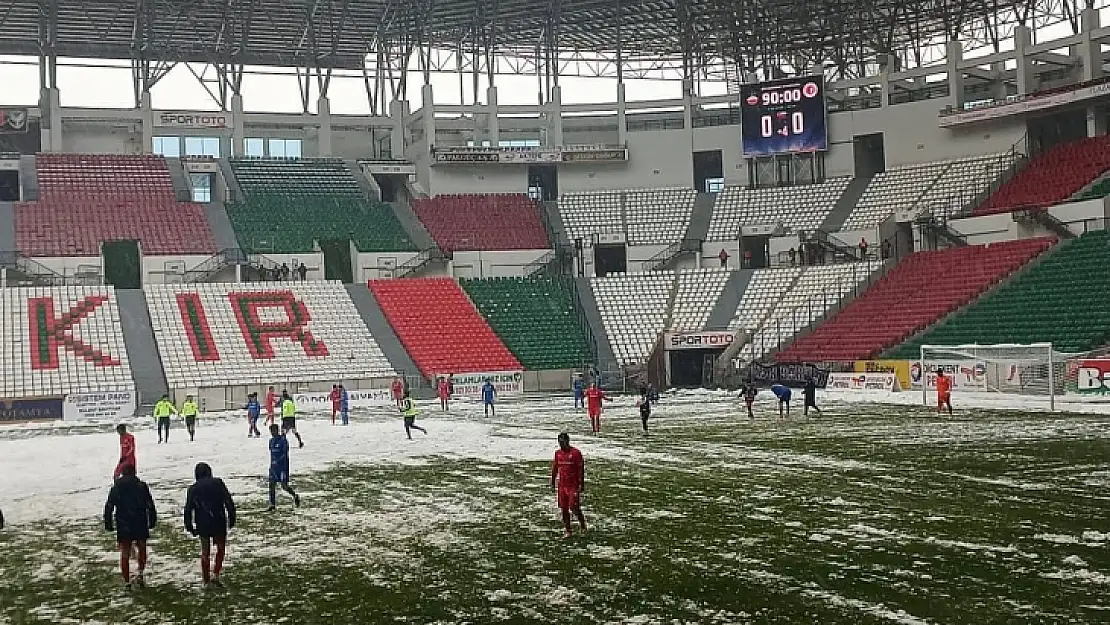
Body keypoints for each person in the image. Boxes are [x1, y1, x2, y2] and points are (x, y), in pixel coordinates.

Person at [103, 464, 157, 589]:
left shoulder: (117, 487)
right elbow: (150, 504)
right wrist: (152, 520)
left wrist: (109, 524)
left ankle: (126, 579)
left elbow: (109, 507)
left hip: (124, 522)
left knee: (125, 552)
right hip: (139, 521)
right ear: (134, 472)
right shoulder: (141, 486)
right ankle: (141, 572)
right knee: (142, 548)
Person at [184, 462, 236, 588]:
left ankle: (206, 580)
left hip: (203, 522)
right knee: (220, 548)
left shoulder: (193, 489)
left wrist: (189, 526)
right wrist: (232, 517)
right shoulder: (218, 483)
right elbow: (228, 500)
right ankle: (216, 573)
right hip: (218, 519)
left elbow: (188, 509)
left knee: (205, 551)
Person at [550, 433, 587, 539]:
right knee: (564, 508)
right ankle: (568, 530)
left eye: (563, 442)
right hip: (562, 485)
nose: (561, 444)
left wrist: (581, 484)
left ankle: (582, 524)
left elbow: (580, 469)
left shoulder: (575, 453)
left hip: (573, 485)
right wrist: (553, 482)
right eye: (559, 442)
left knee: (573, 506)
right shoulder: (558, 454)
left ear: (567, 441)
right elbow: (555, 469)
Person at [267, 424, 301, 511]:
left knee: (284, 486)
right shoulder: (271, 441)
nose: (272, 433)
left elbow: (285, 454)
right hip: (273, 467)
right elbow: (271, 454)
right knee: (271, 484)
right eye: (271, 431)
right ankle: (272, 504)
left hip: (282, 467)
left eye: (274, 431)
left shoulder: (283, 441)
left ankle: (295, 495)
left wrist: (278, 461)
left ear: (277, 430)